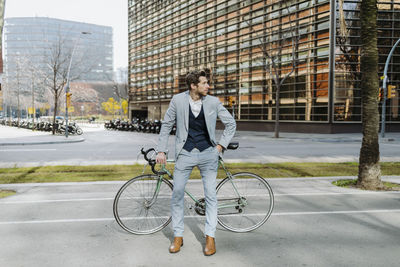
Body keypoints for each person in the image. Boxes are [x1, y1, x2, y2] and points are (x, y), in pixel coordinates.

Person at [156, 70, 236, 256]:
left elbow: (231, 124)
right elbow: (166, 125)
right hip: (185, 153)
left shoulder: (213, 102)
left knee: (210, 195)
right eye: (204, 83)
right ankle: (178, 236)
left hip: (209, 153)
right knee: (177, 193)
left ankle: (210, 237)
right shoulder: (178, 100)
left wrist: (220, 146)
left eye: (207, 83)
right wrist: (161, 150)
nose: (208, 86)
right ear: (193, 86)